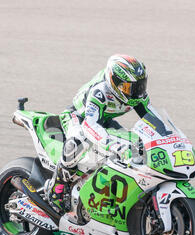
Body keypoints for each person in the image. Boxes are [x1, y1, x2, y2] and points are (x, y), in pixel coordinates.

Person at [46, 54, 159, 212]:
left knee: (136, 142)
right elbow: (90, 125)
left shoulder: (136, 96)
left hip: (104, 119)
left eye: (141, 85)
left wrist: (167, 135)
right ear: (115, 82)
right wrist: (112, 144)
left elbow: (152, 118)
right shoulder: (100, 91)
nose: (137, 91)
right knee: (79, 140)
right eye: (131, 87)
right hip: (79, 117)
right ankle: (57, 186)